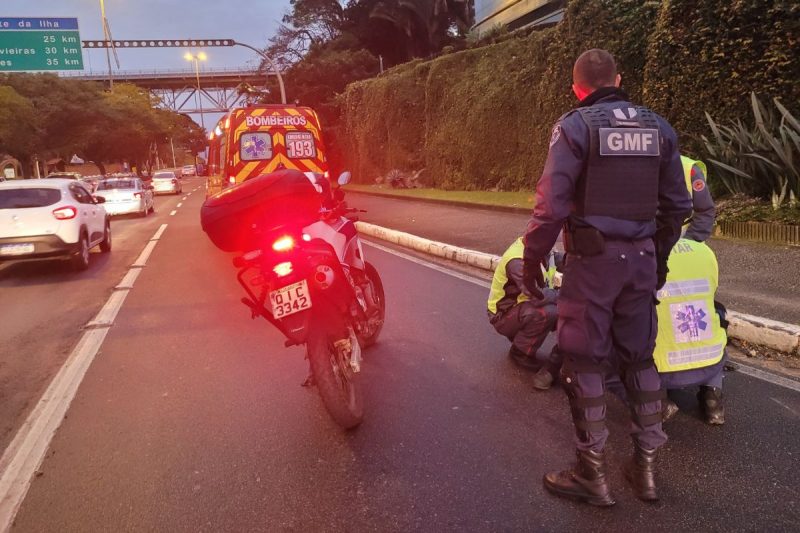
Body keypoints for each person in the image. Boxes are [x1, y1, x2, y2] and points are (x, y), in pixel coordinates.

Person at [522, 49, 692, 505]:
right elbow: (677, 207)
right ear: (619, 78)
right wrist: (655, 258)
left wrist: (532, 257)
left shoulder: (575, 128)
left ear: (577, 88)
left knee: (584, 362)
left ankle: (591, 474)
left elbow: (551, 207)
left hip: (592, 267)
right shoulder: (660, 128)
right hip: (639, 262)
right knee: (640, 360)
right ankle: (645, 471)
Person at [488, 237, 559, 386]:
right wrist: (565, 296)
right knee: (549, 312)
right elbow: (537, 296)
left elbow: (559, 260)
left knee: (557, 308)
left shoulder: (541, 248)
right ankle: (520, 352)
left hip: (518, 309)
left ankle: (521, 337)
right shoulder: (518, 261)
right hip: (502, 315)